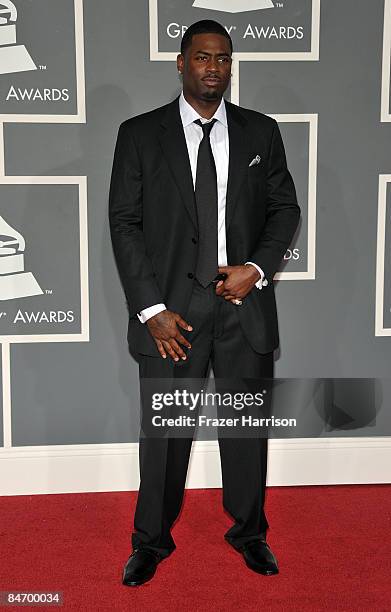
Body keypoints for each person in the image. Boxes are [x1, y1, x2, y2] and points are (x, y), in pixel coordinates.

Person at [109, 19, 300, 586]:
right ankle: (151, 540)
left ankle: (249, 532)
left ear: (231, 66)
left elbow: (285, 210)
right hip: (173, 314)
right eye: (201, 58)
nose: (213, 67)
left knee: (245, 432)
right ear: (181, 63)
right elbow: (124, 224)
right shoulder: (140, 134)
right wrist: (150, 310)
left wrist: (257, 269)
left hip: (242, 307)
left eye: (222, 59)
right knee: (165, 435)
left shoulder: (261, 133)